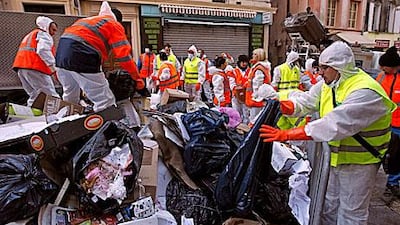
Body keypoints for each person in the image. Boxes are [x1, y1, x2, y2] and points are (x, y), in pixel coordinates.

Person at [258, 41, 396, 225]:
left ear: (338, 67)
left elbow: (334, 124)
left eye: (324, 67)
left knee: (351, 212)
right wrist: (282, 105)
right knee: (329, 205)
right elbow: (306, 102)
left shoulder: (365, 91)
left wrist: (287, 134)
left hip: (360, 163)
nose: (320, 72)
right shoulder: (329, 84)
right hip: (334, 159)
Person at [55, 1, 144, 112]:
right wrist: (138, 80)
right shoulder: (113, 24)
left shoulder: (88, 21)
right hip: (82, 54)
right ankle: (107, 128)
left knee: (70, 94)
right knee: (104, 100)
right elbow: (124, 57)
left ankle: (65, 122)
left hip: (61, 56)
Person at [13, 16, 59, 106]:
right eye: (53, 30)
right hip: (35, 68)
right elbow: (42, 50)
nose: (54, 33)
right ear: (46, 26)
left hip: (21, 67)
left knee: (34, 96)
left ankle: (31, 116)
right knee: (51, 97)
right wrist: (53, 68)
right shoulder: (44, 34)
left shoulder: (31, 34)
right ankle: (58, 117)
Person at [375, 46, 400, 198]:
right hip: (383, 124)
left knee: (397, 157)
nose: (382, 69)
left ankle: (393, 183)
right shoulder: (381, 77)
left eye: (385, 67)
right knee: (383, 155)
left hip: (398, 125)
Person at [245, 48, 272, 121]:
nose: (252, 56)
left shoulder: (258, 68)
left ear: (258, 56)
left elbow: (257, 84)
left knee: (254, 119)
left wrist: (255, 96)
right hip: (262, 98)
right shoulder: (263, 67)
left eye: (254, 54)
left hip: (257, 99)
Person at [232, 55, 251, 124]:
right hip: (236, 95)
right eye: (242, 62)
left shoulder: (250, 71)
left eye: (245, 62)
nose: (244, 64)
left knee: (246, 113)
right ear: (239, 62)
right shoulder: (234, 71)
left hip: (247, 95)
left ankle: (245, 127)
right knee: (236, 112)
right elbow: (232, 82)